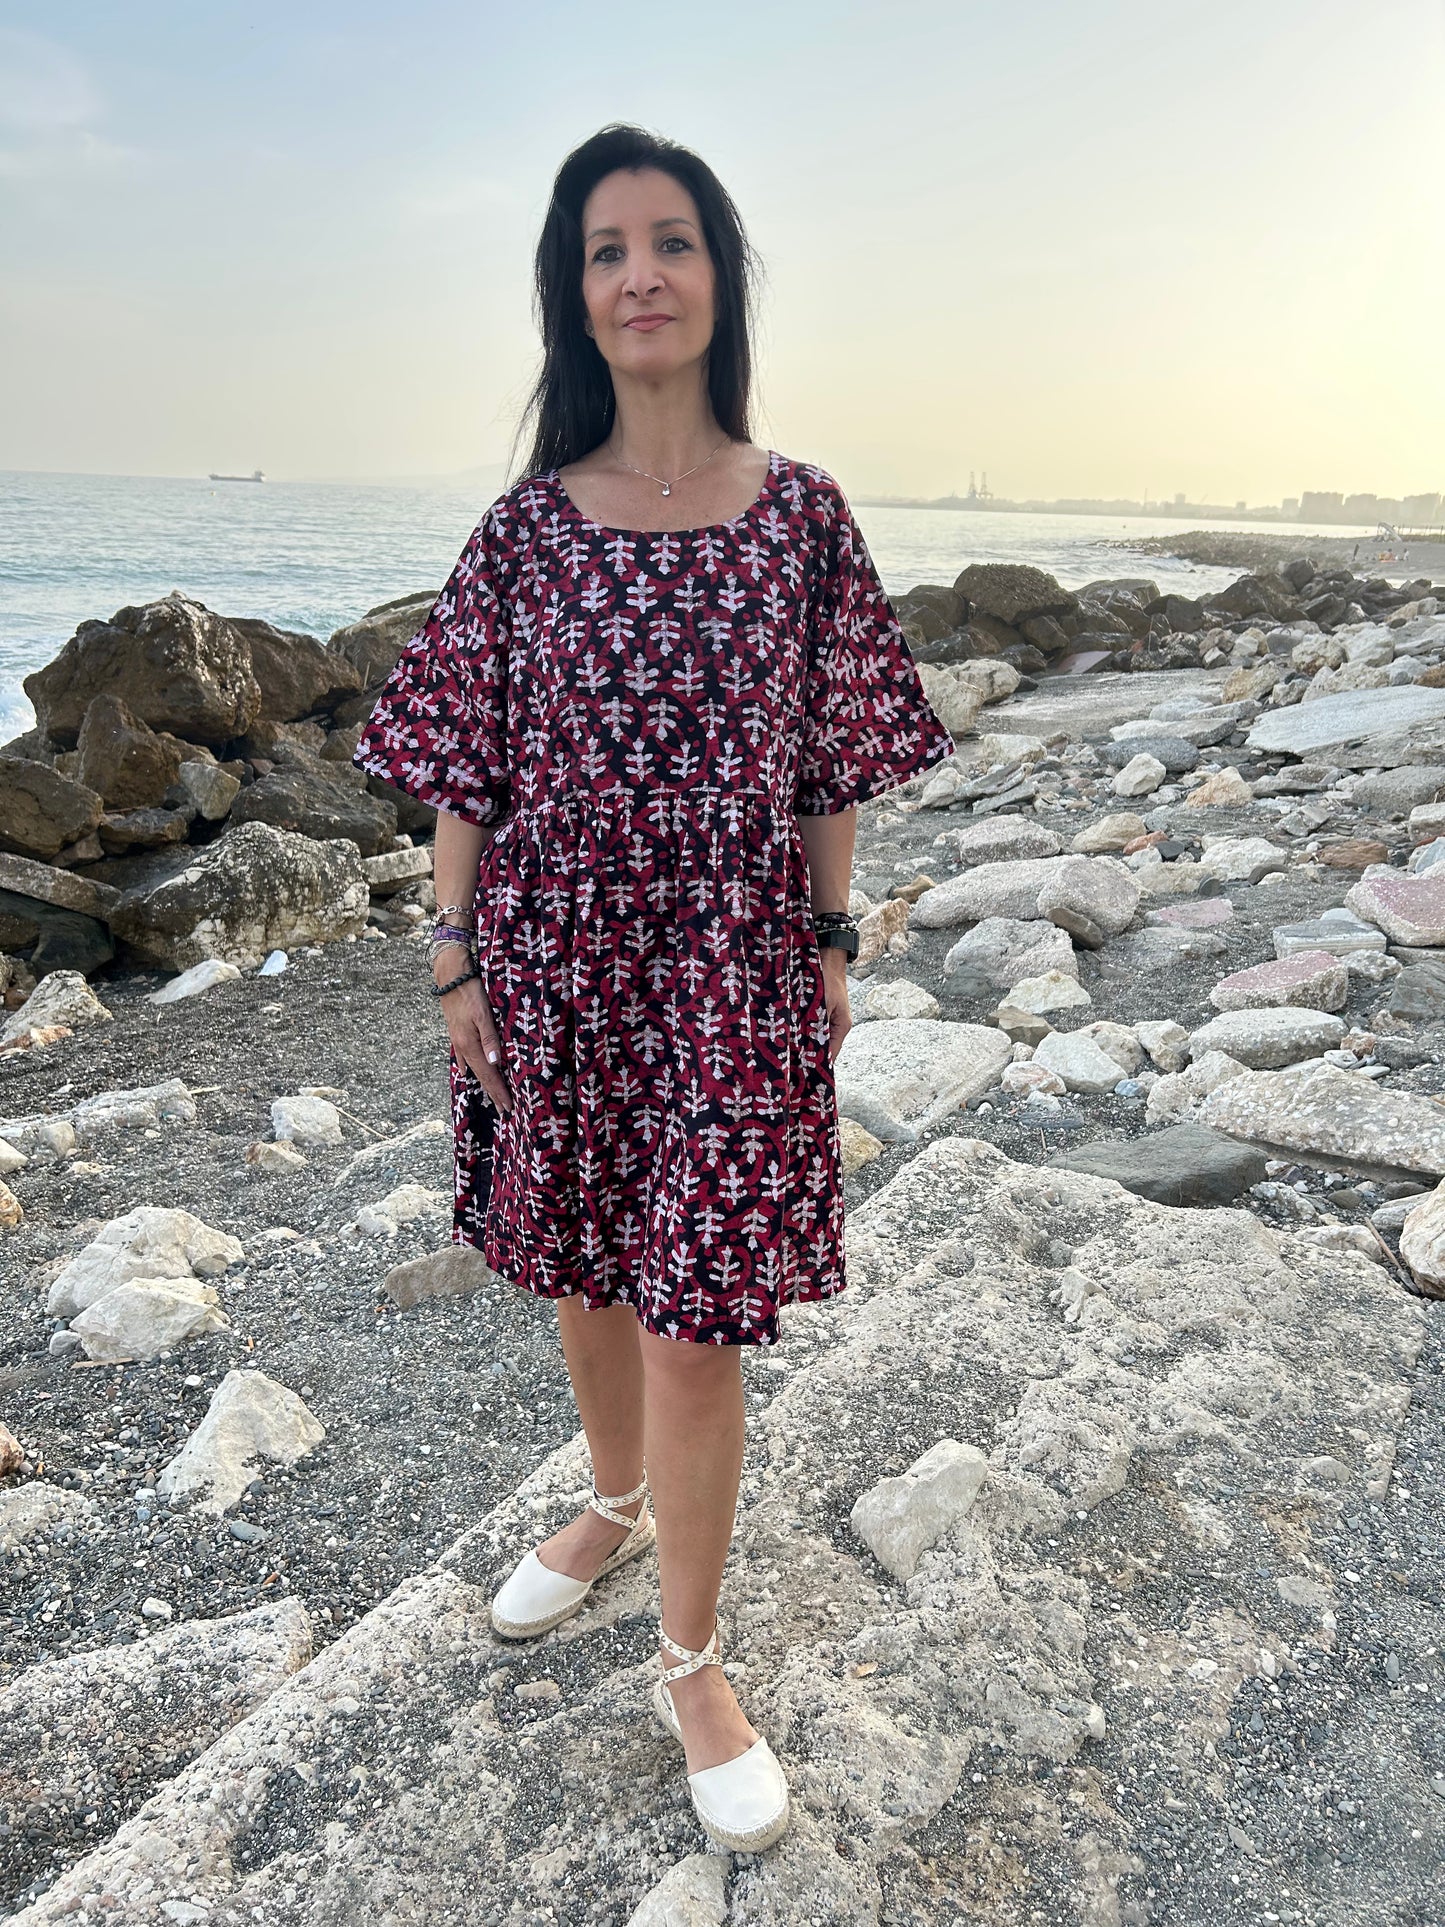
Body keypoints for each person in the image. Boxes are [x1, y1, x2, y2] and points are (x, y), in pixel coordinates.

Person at [354, 122, 955, 1855]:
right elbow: (465, 755)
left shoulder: (803, 516)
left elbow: (833, 752)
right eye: (605, 248)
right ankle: (607, 1507)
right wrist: (456, 953)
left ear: (718, 276)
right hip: (551, 961)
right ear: (574, 290)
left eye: (670, 240)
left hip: (730, 966)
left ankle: (691, 1656)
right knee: (583, 1258)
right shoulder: (530, 526)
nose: (639, 274)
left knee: (698, 1318)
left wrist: (832, 940)